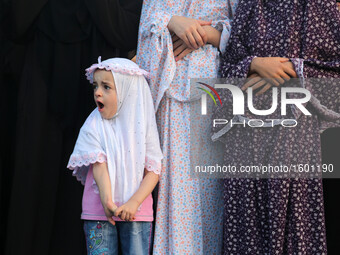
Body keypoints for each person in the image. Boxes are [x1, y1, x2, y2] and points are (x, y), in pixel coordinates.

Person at [3, 1, 143, 254]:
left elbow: (127, 28)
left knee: (86, 187)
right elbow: (14, 21)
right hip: (40, 75)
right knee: (33, 176)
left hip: (98, 86)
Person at [213, 0, 340, 254]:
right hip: (245, 135)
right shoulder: (250, 6)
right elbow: (227, 67)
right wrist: (254, 64)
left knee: (294, 225)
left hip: (294, 134)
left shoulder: (319, 6)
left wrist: (292, 68)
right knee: (246, 228)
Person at [137, 0, 238, 253]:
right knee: (176, 196)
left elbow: (247, 34)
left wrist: (208, 34)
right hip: (171, 92)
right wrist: (172, 21)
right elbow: (146, 27)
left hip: (214, 90)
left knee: (212, 198)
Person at [67, 57, 163, 255]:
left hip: (136, 212)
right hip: (99, 211)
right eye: (95, 86)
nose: (97, 92)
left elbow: (153, 171)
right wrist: (107, 201)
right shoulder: (93, 123)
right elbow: (99, 166)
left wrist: (134, 203)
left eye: (106, 87)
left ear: (128, 92)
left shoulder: (144, 126)